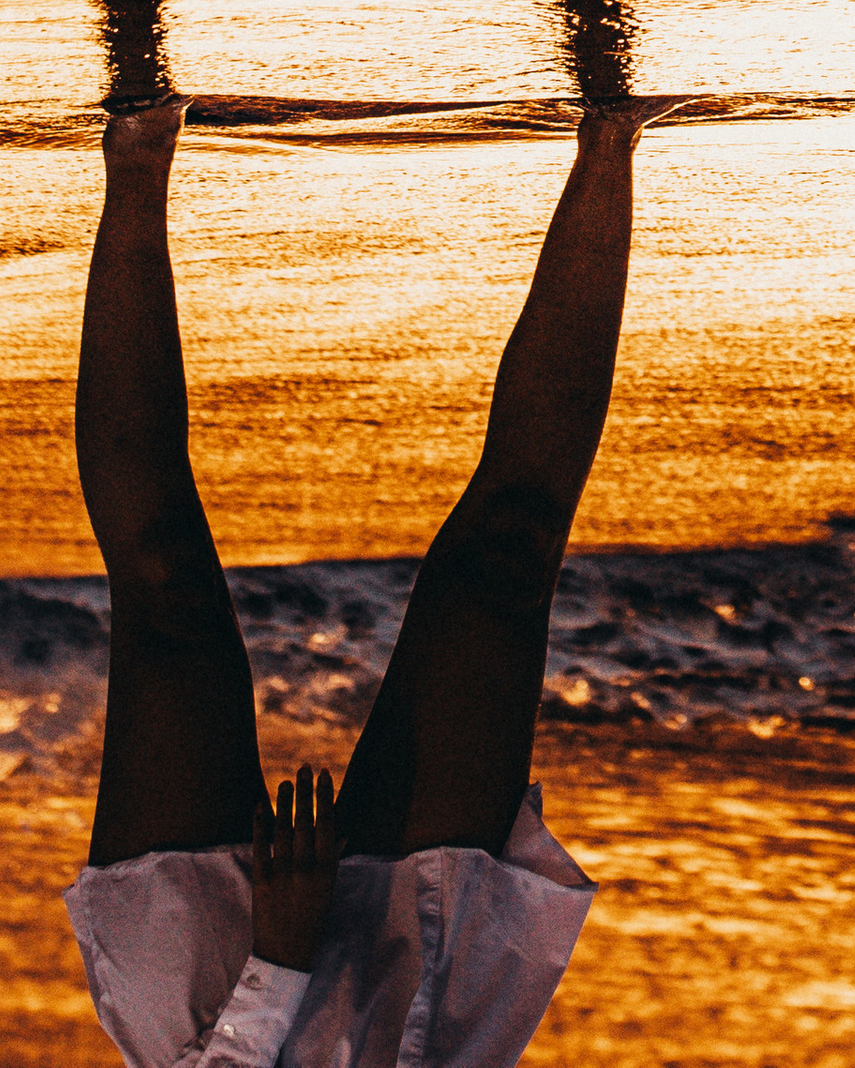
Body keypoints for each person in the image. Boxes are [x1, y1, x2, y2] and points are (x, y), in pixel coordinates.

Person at [64, 98, 651, 1068]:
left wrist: (278, 961)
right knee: (506, 562)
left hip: (202, 1009)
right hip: (411, 1015)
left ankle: (136, 146)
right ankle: (614, 134)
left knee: (165, 589)